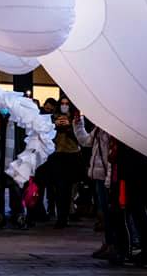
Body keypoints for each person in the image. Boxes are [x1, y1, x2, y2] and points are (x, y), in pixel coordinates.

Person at [73, 110, 113, 258]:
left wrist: (109, 179)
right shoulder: (99, 129)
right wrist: (78, 123)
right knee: (105, 212)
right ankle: (109, 243)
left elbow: (111, 158)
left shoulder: (109, 131)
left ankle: (113, 244)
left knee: (109, 212)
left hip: (105, 178)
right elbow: (85, 141)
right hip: (99, 176)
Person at [48, 96, 82, 228]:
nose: (64, 105)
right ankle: (60, 215)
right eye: (62, 103)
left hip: (71, 155)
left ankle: (64, 216)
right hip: (56, 154)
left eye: (67, 103)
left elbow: (81, 138)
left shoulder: (76, 118)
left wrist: (69, 127)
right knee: (58, 188)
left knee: (67, 188)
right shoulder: (53, 118)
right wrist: (55, 126)